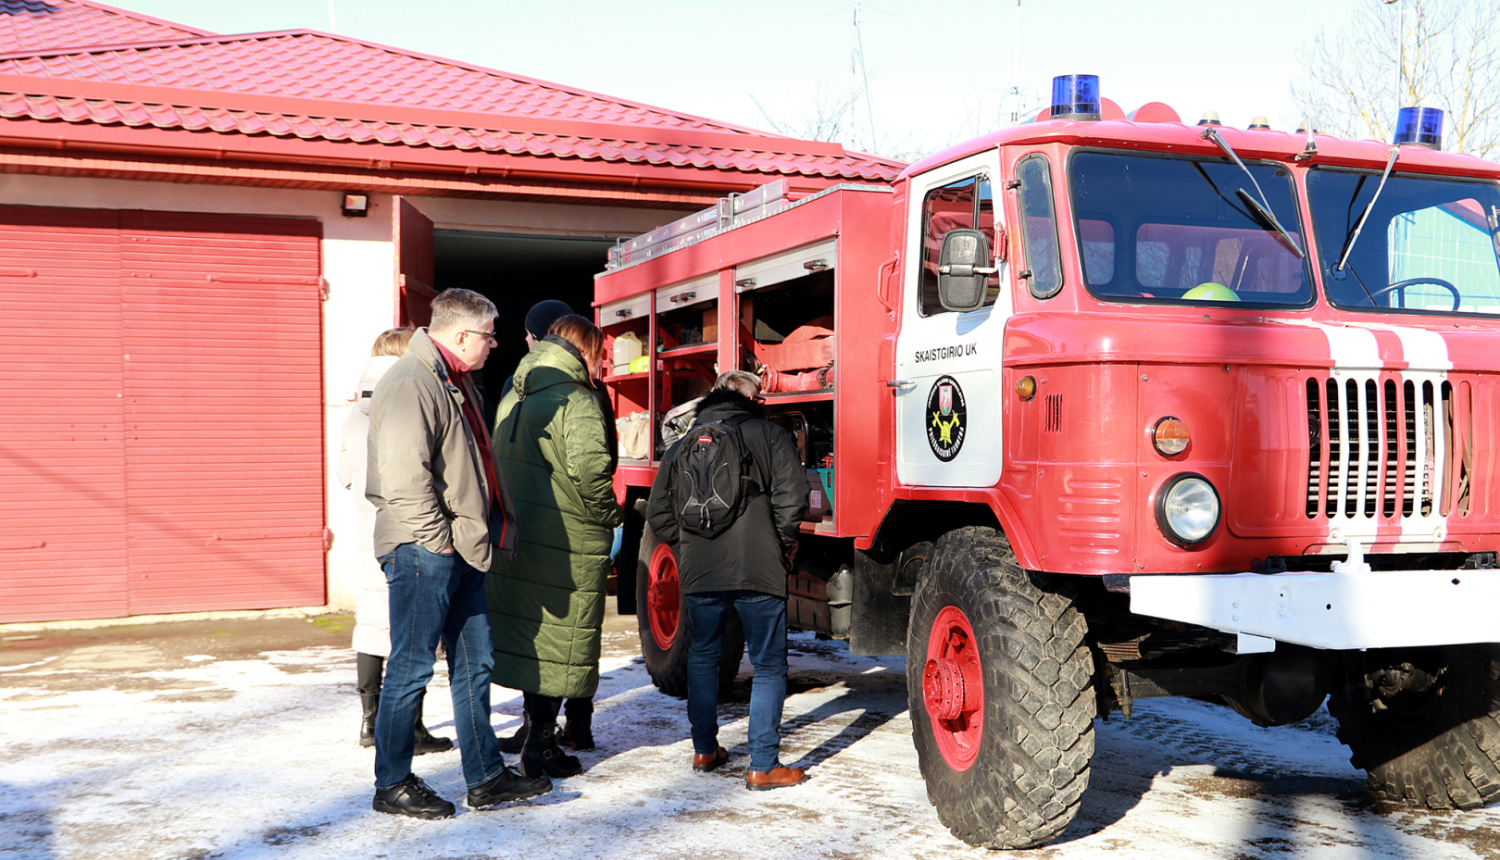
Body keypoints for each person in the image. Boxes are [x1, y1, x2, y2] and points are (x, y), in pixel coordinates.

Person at [365, 288, 552, 819]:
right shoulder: (411, 382)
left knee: (475, 665)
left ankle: (486, 778)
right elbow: (404, 477)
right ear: (462, 334)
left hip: (460, 547)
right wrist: (437, 538)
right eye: (490, 336)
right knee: (412, 667)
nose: (495, 345)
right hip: (426, 549)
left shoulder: (452, 380)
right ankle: (393, 783)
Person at [645, 370, 810, 790]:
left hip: (701, 570)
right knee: (769, 665)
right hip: (760, 566)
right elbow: (793, 500)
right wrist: (779, 542)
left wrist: (690, 547)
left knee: (703, 655)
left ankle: (704, 748)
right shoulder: (771, 435)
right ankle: (763, 764)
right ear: (751, 398)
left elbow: (660, 514)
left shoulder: (683, 443)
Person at [487, 314, 623, 779]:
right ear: (583, 350)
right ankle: (541, 747)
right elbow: (590, 473)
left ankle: (535, 738)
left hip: (520, 536)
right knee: (561, 642)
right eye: (599, 353)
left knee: (536, 641)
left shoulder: (515, 390)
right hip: (566, 539)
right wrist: (611, 518)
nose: (601, 363)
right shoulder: (577, 398)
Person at [336, 326, 453, 754]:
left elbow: (346, 476)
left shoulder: (355, 411)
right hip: (406, 528)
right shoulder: (407, 397)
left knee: (370, 625)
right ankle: (413, 726)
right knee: (410, 632)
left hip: (367, 526)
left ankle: (369, 721)